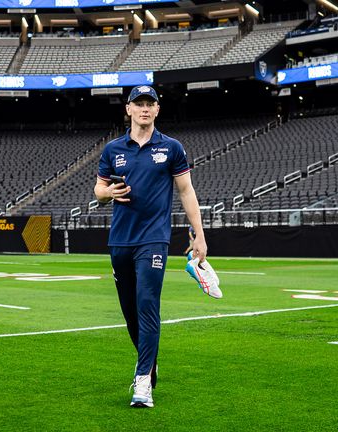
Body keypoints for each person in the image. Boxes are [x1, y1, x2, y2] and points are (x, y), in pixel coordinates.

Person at [94, 85, 208, 408]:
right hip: (120, 240)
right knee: (130, 314)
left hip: (154, 239)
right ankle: (150, 360)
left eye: (150, 103)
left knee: (147, 305)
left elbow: (186, 191)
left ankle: (143, 382)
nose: (145, 109)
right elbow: (98, 189)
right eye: (139, 103)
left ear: (157, 110)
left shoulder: (171, 148)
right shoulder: (113, 149)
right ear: (128, 109)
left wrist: (198, 234)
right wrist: (107, 194)